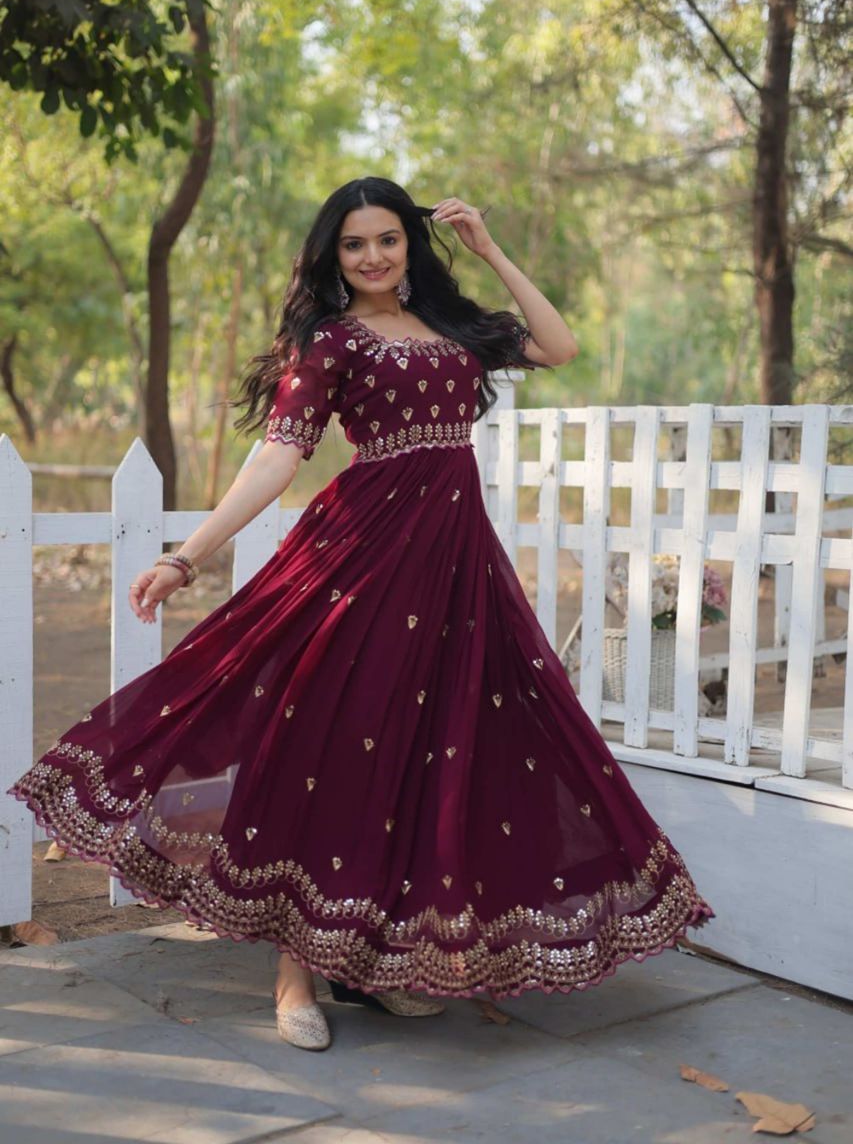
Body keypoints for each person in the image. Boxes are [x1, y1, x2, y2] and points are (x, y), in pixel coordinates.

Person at [8, 177, 714, 1053]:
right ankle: (292, 973)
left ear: (411, 246)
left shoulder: (456, 328)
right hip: (361, 556)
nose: (374, 255)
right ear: (332, 257)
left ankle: (374, 963)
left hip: (455, 568)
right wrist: (189, 554)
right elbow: (277, 456)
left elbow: (558, 345)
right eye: (355, 244)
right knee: (333, 741)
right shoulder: (332, 340)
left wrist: (490, 249)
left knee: (439, 748)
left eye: (388, 238)